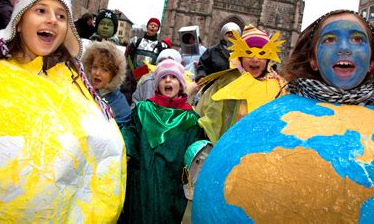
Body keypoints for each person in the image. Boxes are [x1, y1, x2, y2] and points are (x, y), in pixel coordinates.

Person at [192, 10, 374, 222]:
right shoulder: (282, 103)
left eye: (357, 39)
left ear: (372, 60)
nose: (344, 48)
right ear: (312, 59)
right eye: (329, 40)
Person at [0, 0, 126, 222]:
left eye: (61, 16)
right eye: (41, 10)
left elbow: (105, 162)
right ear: (19, 19)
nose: (52, 20)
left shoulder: (76, 88)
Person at [120, 59, 204, 224]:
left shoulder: (191, 120)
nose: (168, 80)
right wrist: (126, 149)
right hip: (142, 179)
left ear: (180, 85)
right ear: (157, 85)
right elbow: (131, 132)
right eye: (164, 77)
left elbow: (197, 153)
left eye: (173, 77)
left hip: (171, 185)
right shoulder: (143, 110)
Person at [195, 24, 287, 144]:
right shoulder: (227, 81)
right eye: (249, 52)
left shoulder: (279, 86)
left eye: (262, 53)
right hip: (227, 146)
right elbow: (208, 115)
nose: (255, 59)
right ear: (240, 56)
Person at [82, 40, 131, 127]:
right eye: (95, 67)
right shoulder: (81, 90)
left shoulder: (120, 105)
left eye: (104, 70)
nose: (97, 73)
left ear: (114, 74)